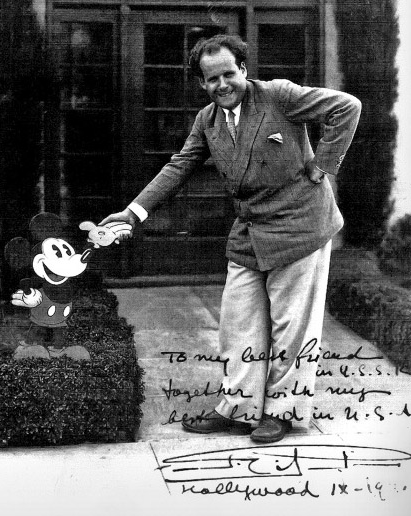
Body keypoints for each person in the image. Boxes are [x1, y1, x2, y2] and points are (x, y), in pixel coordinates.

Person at [100, 34, 361, 443]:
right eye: (211, 79)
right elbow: (179, 166)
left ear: (243, 69)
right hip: (250, 231)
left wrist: (323, 165)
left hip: (302, 226)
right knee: (238, 324)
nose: (221, 84)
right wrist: (133, 214)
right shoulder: (207, 120)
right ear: (201, 83)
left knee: (292, 327)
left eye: (228, 74)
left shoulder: (279, 96)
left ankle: (281, 412)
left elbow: (347, 107)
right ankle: (239, 409)